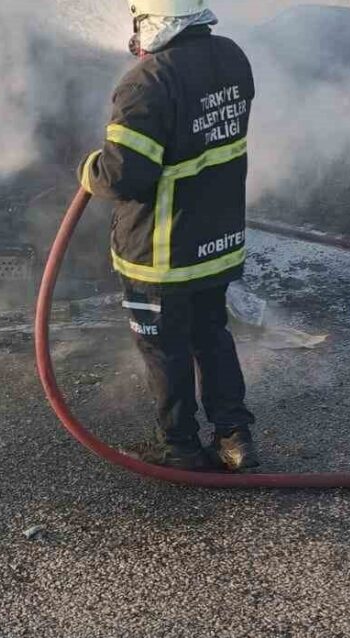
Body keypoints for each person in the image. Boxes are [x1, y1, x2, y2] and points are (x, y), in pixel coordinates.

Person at [79, 0, 259, 471]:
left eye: (140, 22)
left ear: (157, 21)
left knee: (163, 347)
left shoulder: (147, 82)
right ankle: (235, 437)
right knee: (211, 334)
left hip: (160, 253)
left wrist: (88, 170)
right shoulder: (233, 58)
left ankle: (180, 447)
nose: (136, 34)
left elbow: (124, 177)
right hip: (216, 242)